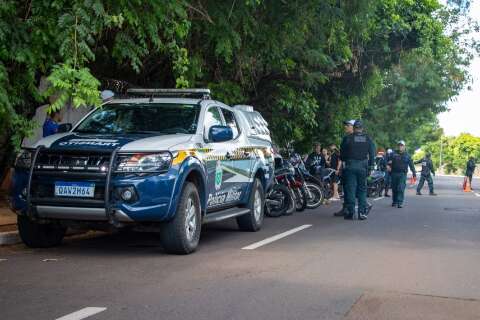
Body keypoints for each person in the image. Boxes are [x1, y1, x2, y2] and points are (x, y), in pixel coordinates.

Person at [340, 120, 376, 220]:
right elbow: (372, 154)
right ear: (362, 128)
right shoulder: (367, 139)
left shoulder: (347, 138)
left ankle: (350, 212)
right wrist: (371, 167)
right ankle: (362, 213)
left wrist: (346, 159)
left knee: (350, 189)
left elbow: (342, 154)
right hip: (363, 167)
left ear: (354, 128)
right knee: (362, 190)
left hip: (350, 166)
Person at [333, 120, 356, 217]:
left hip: (353, 166)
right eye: (346, 125)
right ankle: (346, 208)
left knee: (350, 188)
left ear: (353, 127)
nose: (346, 127)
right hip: (346, 166)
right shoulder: (346, 138)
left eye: (348, 125)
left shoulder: (357, 138)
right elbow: (343, 153)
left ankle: (351, 210)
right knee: (346, 188)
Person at [388, 141, 416, 208]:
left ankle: (400, 202)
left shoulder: (407, 155)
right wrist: (388, 166)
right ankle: (394, 201)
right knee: (394, 188)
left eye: (402, 145)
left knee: (400, 188)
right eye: (399, 145)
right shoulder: (393, 154)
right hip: (394, 173)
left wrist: (414, 173)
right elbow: (388, 162)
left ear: (404, 146)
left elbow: (411, 165)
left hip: (402, 174)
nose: (400, 146)